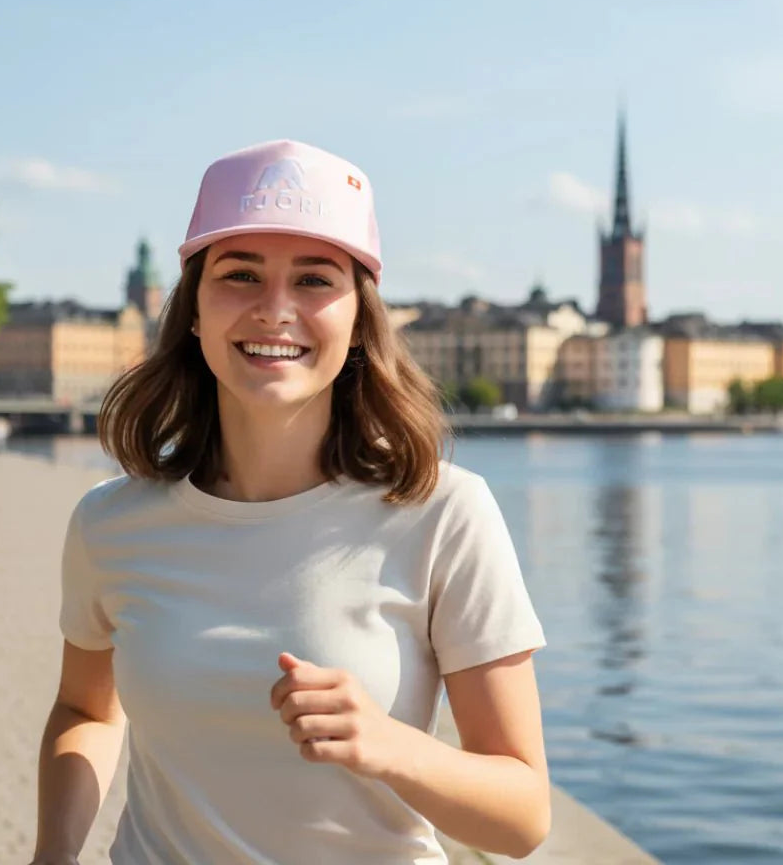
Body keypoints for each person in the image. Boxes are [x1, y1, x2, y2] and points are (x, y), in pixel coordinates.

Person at [29, 140, 550, 865]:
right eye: (240, 274)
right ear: (192, 310)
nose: (275, 310)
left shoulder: (444, 514)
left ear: (360, 319)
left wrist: (391, 746)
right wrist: (52, 854)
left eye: (314, 280)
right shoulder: (109, 523)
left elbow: (524, 819)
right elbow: (86, 709)